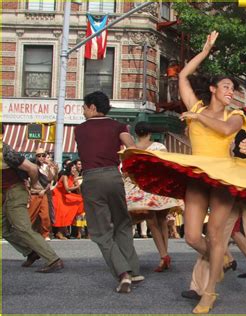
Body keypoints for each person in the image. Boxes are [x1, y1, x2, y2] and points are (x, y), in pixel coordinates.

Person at [122, 69, 246, 312]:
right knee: (215, 234)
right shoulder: (238, 114)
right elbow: (221, 133)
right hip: (229, 177)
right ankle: (200, 285)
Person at [74, 91, 143, 293]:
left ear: (93, 107)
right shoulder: (117, 126)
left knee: (101, 230)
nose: (83, 111)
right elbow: (131, 146)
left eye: (84, 107)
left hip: (92, 178)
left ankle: (123, 274)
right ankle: (135, 269)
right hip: (114, 176)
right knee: (122, 222)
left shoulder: (79, 130)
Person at [123, 121, 183, 272]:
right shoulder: (159, 147)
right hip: (158, 187)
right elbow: (166, 166)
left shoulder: (130, 149)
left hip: (139, 188)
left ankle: (164, 256)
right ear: (150, 133)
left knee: (152, 221)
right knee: (161, 220)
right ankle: (164, 255)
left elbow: (125, 171)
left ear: (136, 134)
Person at [2, 142, 64, 273]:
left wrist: (34, 184)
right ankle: (31, 252)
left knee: (22, 227)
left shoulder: (6, 151)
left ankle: (53, 259)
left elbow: (32, 168)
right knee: (4, 229)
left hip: (15, 191)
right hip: (5, 193)